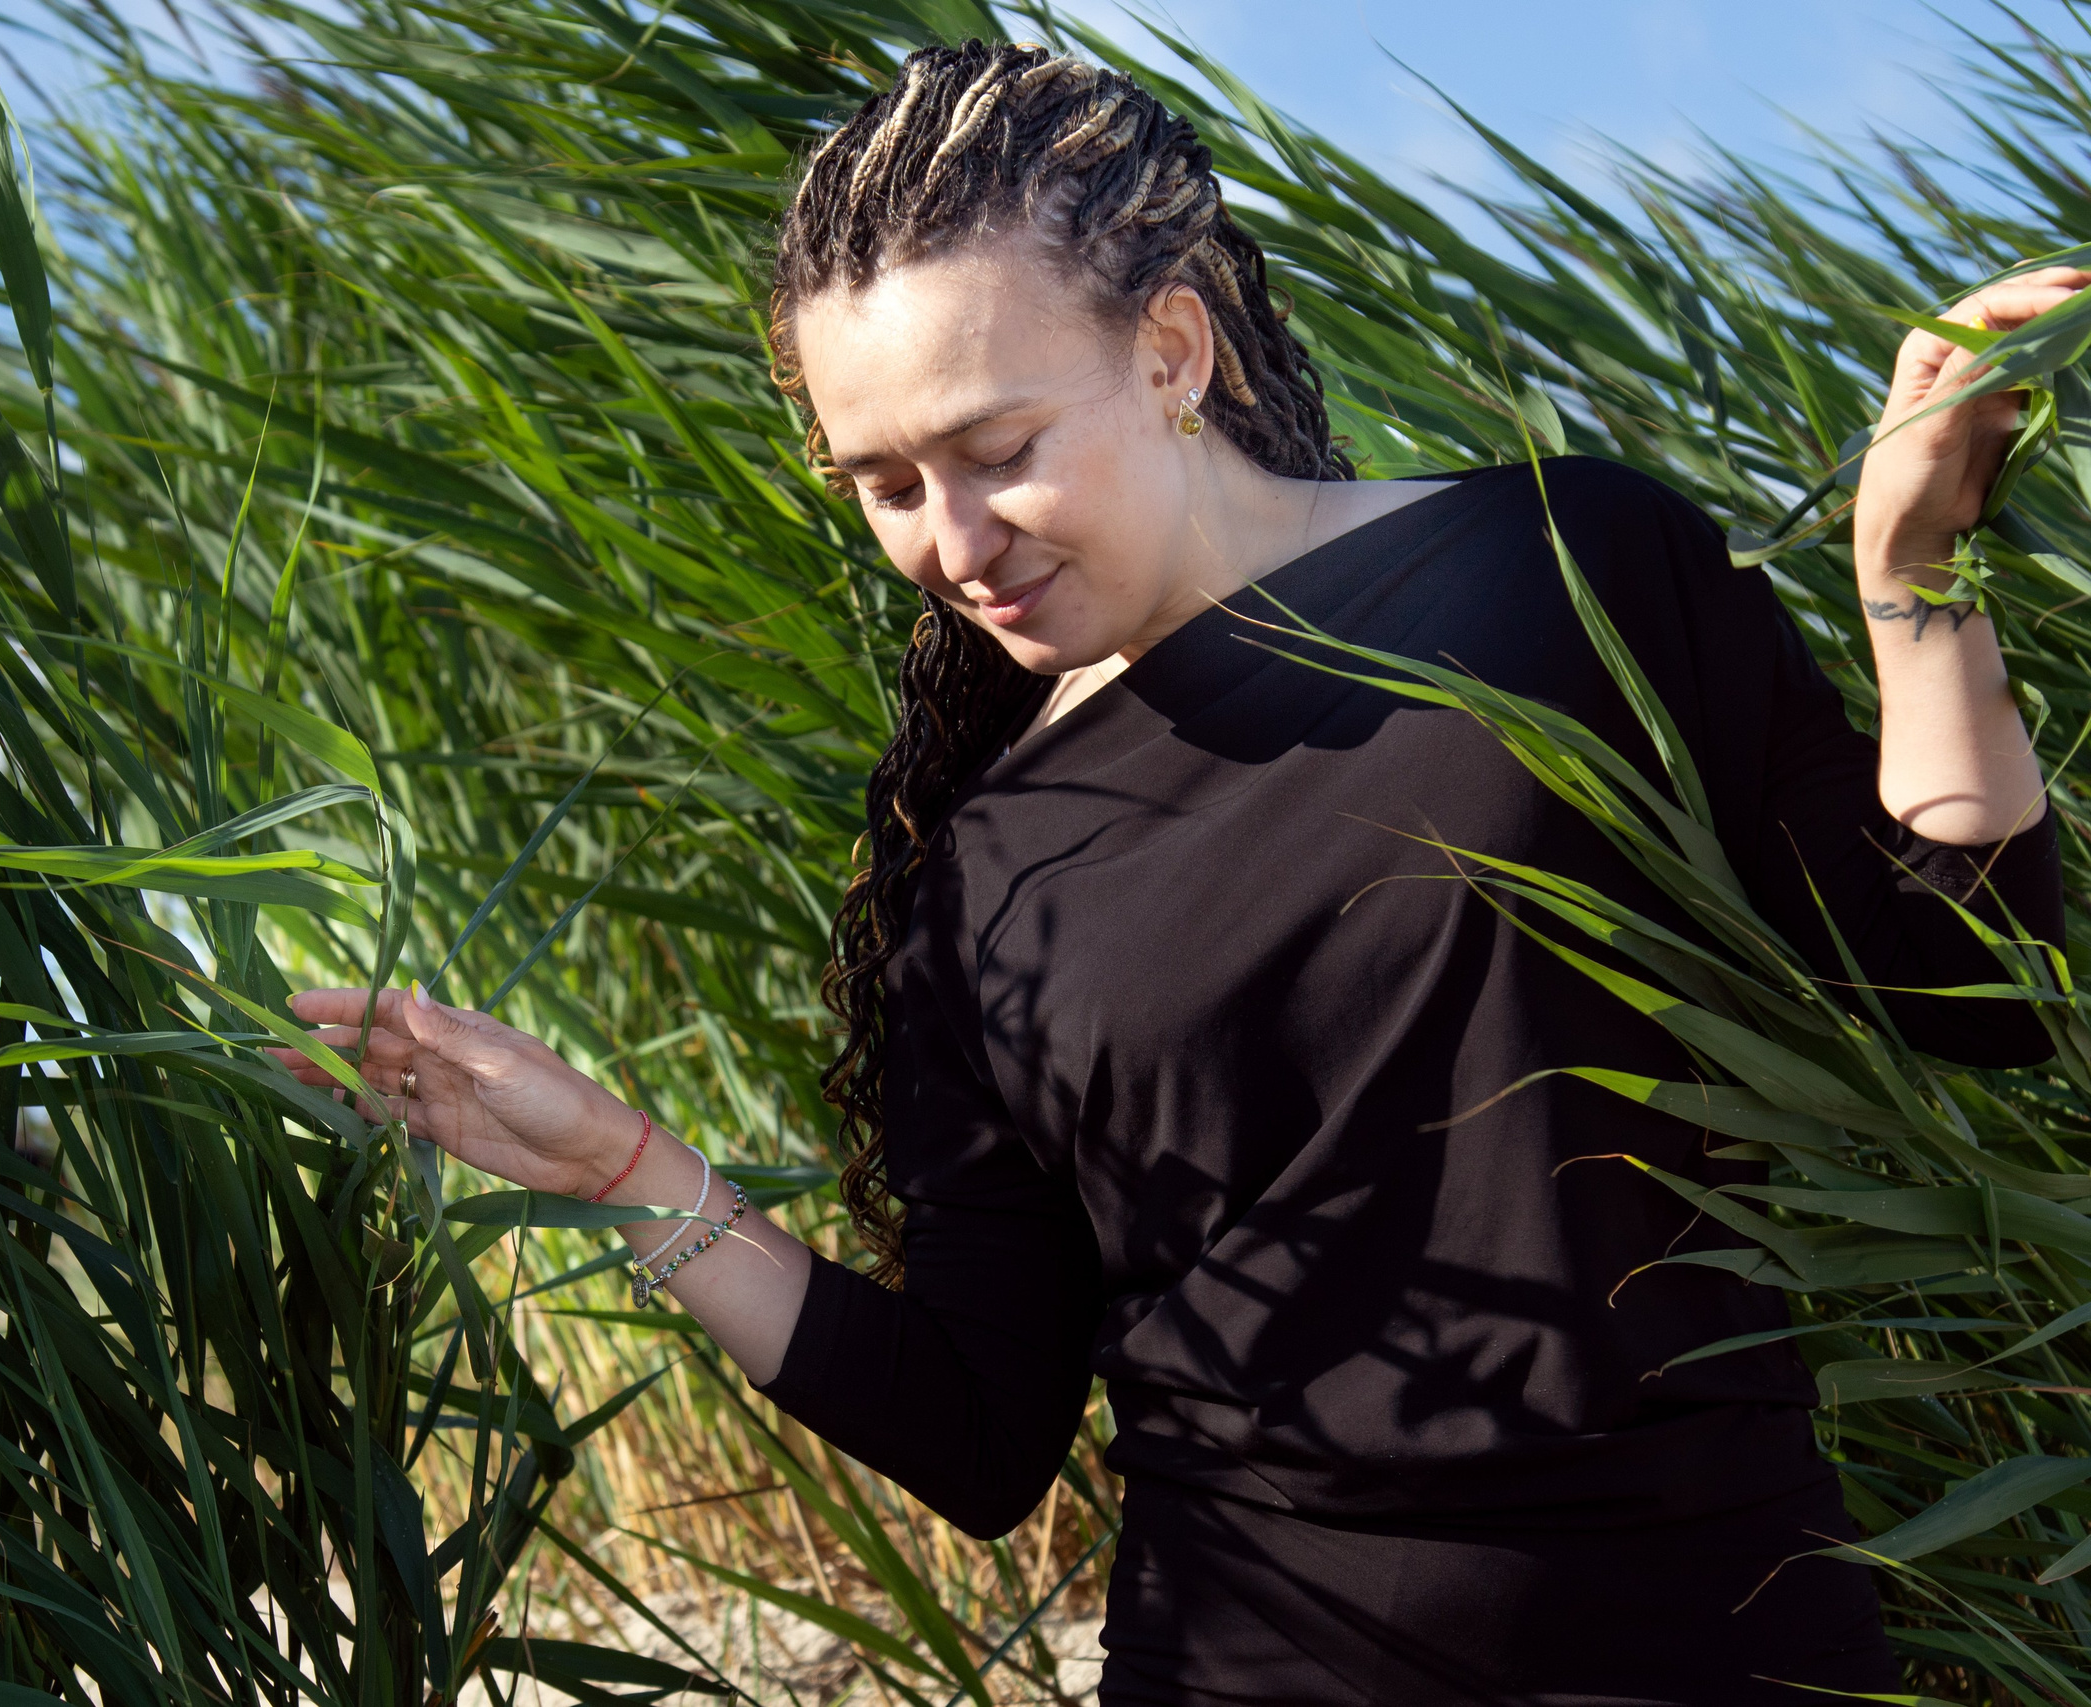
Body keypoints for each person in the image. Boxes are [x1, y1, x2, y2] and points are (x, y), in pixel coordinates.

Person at [278, 40, 2079, 1706]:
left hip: (1723, 1628)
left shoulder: (1568, 569)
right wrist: (625, 1168)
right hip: (1253, 1656)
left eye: (998, 451)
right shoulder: (977, 872)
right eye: (884, 483)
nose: (951, 544)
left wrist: (1914, 582)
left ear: (1172, 350)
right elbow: (983, 1438)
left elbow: (1971, 992)